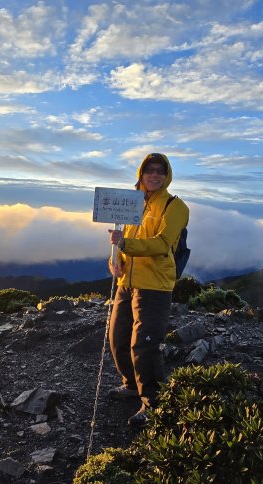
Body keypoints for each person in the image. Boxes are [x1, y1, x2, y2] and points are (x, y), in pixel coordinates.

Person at [107, 152, 190, 427]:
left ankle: (154, 403)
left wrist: (126, 246)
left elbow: (161, 244)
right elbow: (123, 240)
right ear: (141, 174)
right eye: (149, 170)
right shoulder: (133, 204)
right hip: (127, 283)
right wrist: (115, 260)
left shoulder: (175, 207)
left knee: (145, 345)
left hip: (154, 285)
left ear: (167, 176)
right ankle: (131, 384)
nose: (154, 175)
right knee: (118, 339)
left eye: (160, 171)